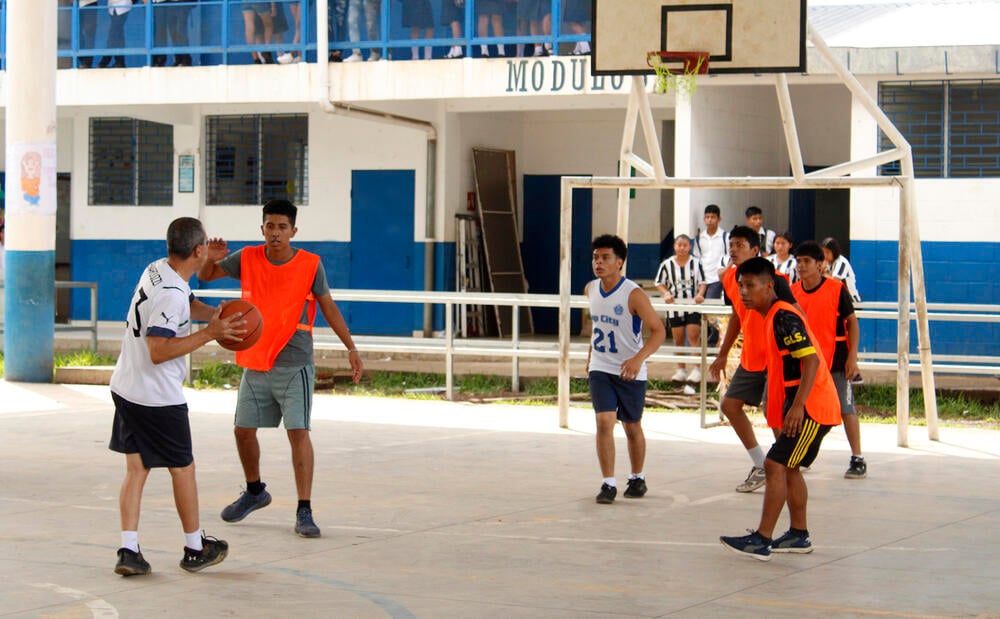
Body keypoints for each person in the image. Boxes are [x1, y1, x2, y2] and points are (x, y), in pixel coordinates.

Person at [198, 199, 364, 538]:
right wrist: (210, 259)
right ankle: (255, 491)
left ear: (293, 231)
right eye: (270, 226)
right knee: (242, 430)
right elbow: (206, 275)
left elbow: (329, 306)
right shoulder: (246, 258)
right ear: (262, 229)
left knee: (298, 433)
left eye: (282, 227)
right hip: (255, 360)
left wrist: (351, 347)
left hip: (294, 362)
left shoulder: (310, 265)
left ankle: (304, 510)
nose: (275, 233)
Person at [109, 217, 243, 576]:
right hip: (155, 398)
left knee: (136, 469)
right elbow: (158, 349)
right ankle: (195, 548)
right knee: (183, 469)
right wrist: (209, 334)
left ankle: (128, 549)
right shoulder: (170, 292)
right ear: (197, 250)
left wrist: (216, 315)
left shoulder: (158, 270)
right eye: (204, 249)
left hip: (126, 386)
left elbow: (188, 300)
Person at [719, 258, 841, 560]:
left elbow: (810, 360)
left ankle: (762, 539)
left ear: (769, 286)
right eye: (741, 286)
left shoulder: (783, 317)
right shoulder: (773, 315)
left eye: (750, 286)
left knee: (774, 465)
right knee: (788, 468)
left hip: (813, 406)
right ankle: (799, 535)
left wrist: (798, 406)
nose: (744, 292)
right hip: (808, 404)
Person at [709, 226, 799, 493]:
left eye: (739, 245)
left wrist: (799, 357)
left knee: (775, 417)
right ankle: (761, 464)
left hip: (777, 359)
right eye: (731, 244)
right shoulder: (730, 278)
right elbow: (737, 314)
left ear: (754, 250)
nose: (733, 249)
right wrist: (723, 353)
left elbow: (796, 315)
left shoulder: (776, 280)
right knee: (730, 405)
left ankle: (784, 468)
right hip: (751, 357)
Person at [585, 234, 666, 504]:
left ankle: (637, 477)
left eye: (605, 257)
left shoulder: (633, 294)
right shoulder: (590, 289)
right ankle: (608, 483)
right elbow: (598, 327)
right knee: (604, 421)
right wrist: (590, 356)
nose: (599, 262)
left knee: (632, 427)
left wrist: (638, 359)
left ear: (619, 262)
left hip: (630, 369)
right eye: (596, 257)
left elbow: (658, 331)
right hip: (601, 366)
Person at [793, 241, 866, 479]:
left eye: (807, 261)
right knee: (804, 408)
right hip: (805, 361)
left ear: (820, 264)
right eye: (799, 261)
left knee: (845, 408)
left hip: (835, 360)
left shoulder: (836, 289)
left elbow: (852, 323)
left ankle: (857, 458)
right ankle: (804, 451)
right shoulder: (793, 291)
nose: (801, 266)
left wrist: (852, 358)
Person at [654, 234, 707, 383]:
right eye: (679, 245)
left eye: (685, 245)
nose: (682, 248)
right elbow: (659, 282)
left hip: (692, 306)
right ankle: (681, 369)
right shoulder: (667, 264)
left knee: (693, 336)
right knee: (678, 339)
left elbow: (703, 282)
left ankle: (697, 369)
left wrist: (700, 295)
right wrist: (666, 294)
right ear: (674, 246)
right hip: (674, 306)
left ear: (690, 247)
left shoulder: (696, 263)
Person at [692, 204, 729, 300]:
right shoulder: (699, 238)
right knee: (699, 306)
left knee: (710, 304)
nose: (710, 220)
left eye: (713, 217)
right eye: (707, 217)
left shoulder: (726, 237)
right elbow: (697, 258)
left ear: (719, 219)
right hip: (702, 279)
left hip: (716, 279)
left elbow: (730, 257)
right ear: (704, 219)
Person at [152, 0, 194, 67]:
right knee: (159, 31)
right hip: (158, 3)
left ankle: (183, 59)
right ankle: (158, 60)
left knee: (177, 30)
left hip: (176, 2)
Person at [821, 237, 861, 303]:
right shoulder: (829, 263)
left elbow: (834, 282)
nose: (825, 255)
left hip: (850, 301)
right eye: (823, 252)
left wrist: (823, 272)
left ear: (834, 252)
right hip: (838, 301)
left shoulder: (841, 262)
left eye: (827, 252)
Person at [99, 0, 134, 69]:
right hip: (112, 7)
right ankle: (120, 61)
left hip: (123, 5)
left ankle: (106, 59)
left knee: (114, 31)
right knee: (118, 33)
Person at [77, 0, 99, 68]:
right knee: (77, 33)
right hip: (78, 5)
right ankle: (81, 58)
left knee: (89, 33)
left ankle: (87, 63)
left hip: (90, 3)